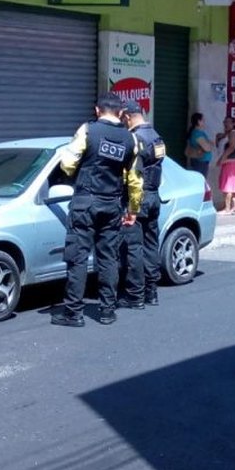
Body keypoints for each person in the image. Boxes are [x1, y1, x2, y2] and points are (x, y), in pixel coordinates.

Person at [54, 92, 143, 327]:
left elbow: (68, 163)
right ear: (121, 113)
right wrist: (133, 209)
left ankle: (73, 313)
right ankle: (107, 311)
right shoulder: (130, 139)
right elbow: (135, 179)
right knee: (109, 258)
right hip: (113, 205)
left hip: (85, 202)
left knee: (78, 257)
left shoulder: (88, 130)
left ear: (97, 110)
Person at [118, 97, 165, 309]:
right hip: (154, 196)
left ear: (128, 116)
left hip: (138, 198)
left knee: (133, 247)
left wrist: (131, 206)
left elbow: (133, 174)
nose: (122, 123)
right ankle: (151, 292)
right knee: (151, 244)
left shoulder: (135, 139)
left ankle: (135, 295)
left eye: (123, 119)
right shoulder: (157, 137)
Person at [214, 116, 235, 214]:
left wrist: (222, 159)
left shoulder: (233, 133)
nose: (226, 124)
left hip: (231, 161)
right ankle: (234, 204)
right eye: (225, 122)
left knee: (227, 184)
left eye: (228, 122)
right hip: (230, 161)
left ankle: (227, 208)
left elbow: (232, 146)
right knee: (227, 183)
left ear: (233, 124)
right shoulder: (227, 134)